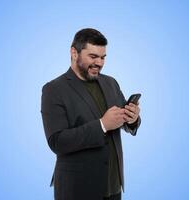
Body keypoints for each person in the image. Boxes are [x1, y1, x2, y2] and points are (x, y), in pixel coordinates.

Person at [41, 28, 141, 200]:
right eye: (93, 57)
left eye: (103, 57)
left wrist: (132, 119)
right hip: (78, 189)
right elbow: (57, 142)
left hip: (113, 187)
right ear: (74, 52)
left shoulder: (110, 82)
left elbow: (121, 120)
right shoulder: (53, 89)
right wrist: (102, 125)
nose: (99, 63)